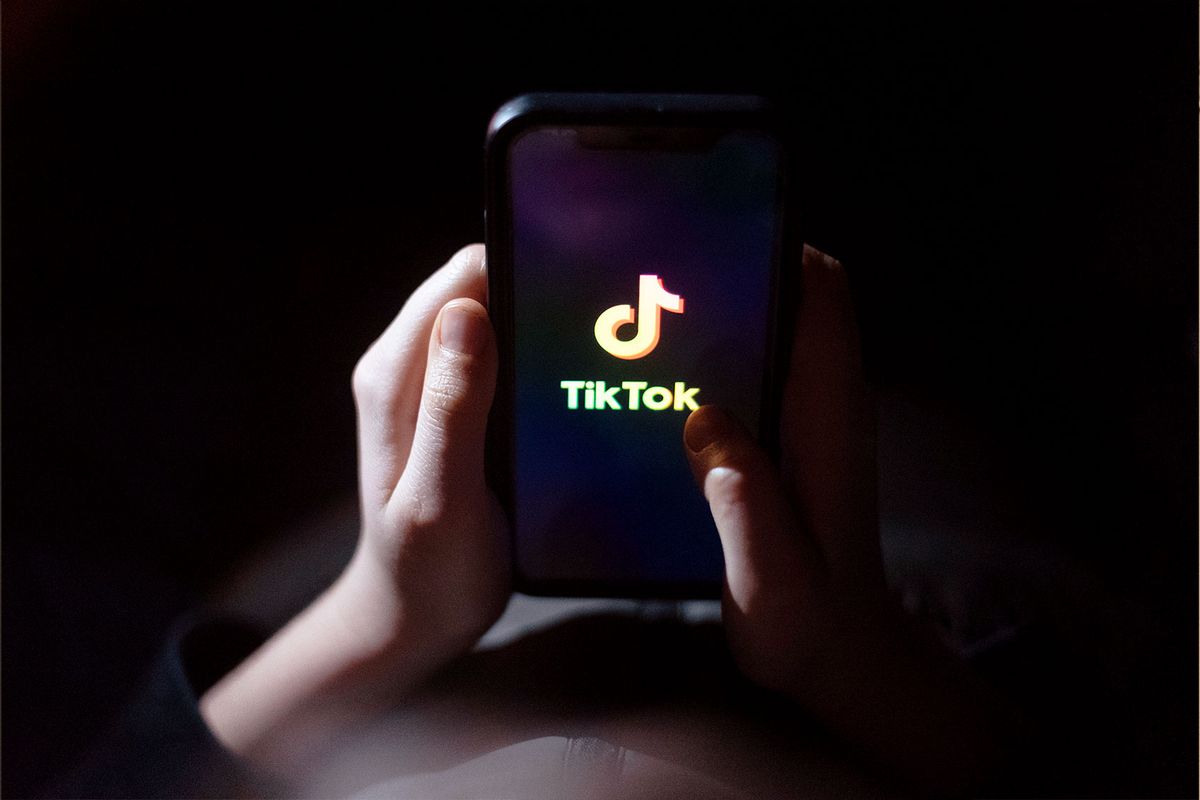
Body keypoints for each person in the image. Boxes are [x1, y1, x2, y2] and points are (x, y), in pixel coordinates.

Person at [61, 244, 1020, 798]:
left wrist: (377, 616)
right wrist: (859, 664)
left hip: (366, 569)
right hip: (929, 544)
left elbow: (131, 785)